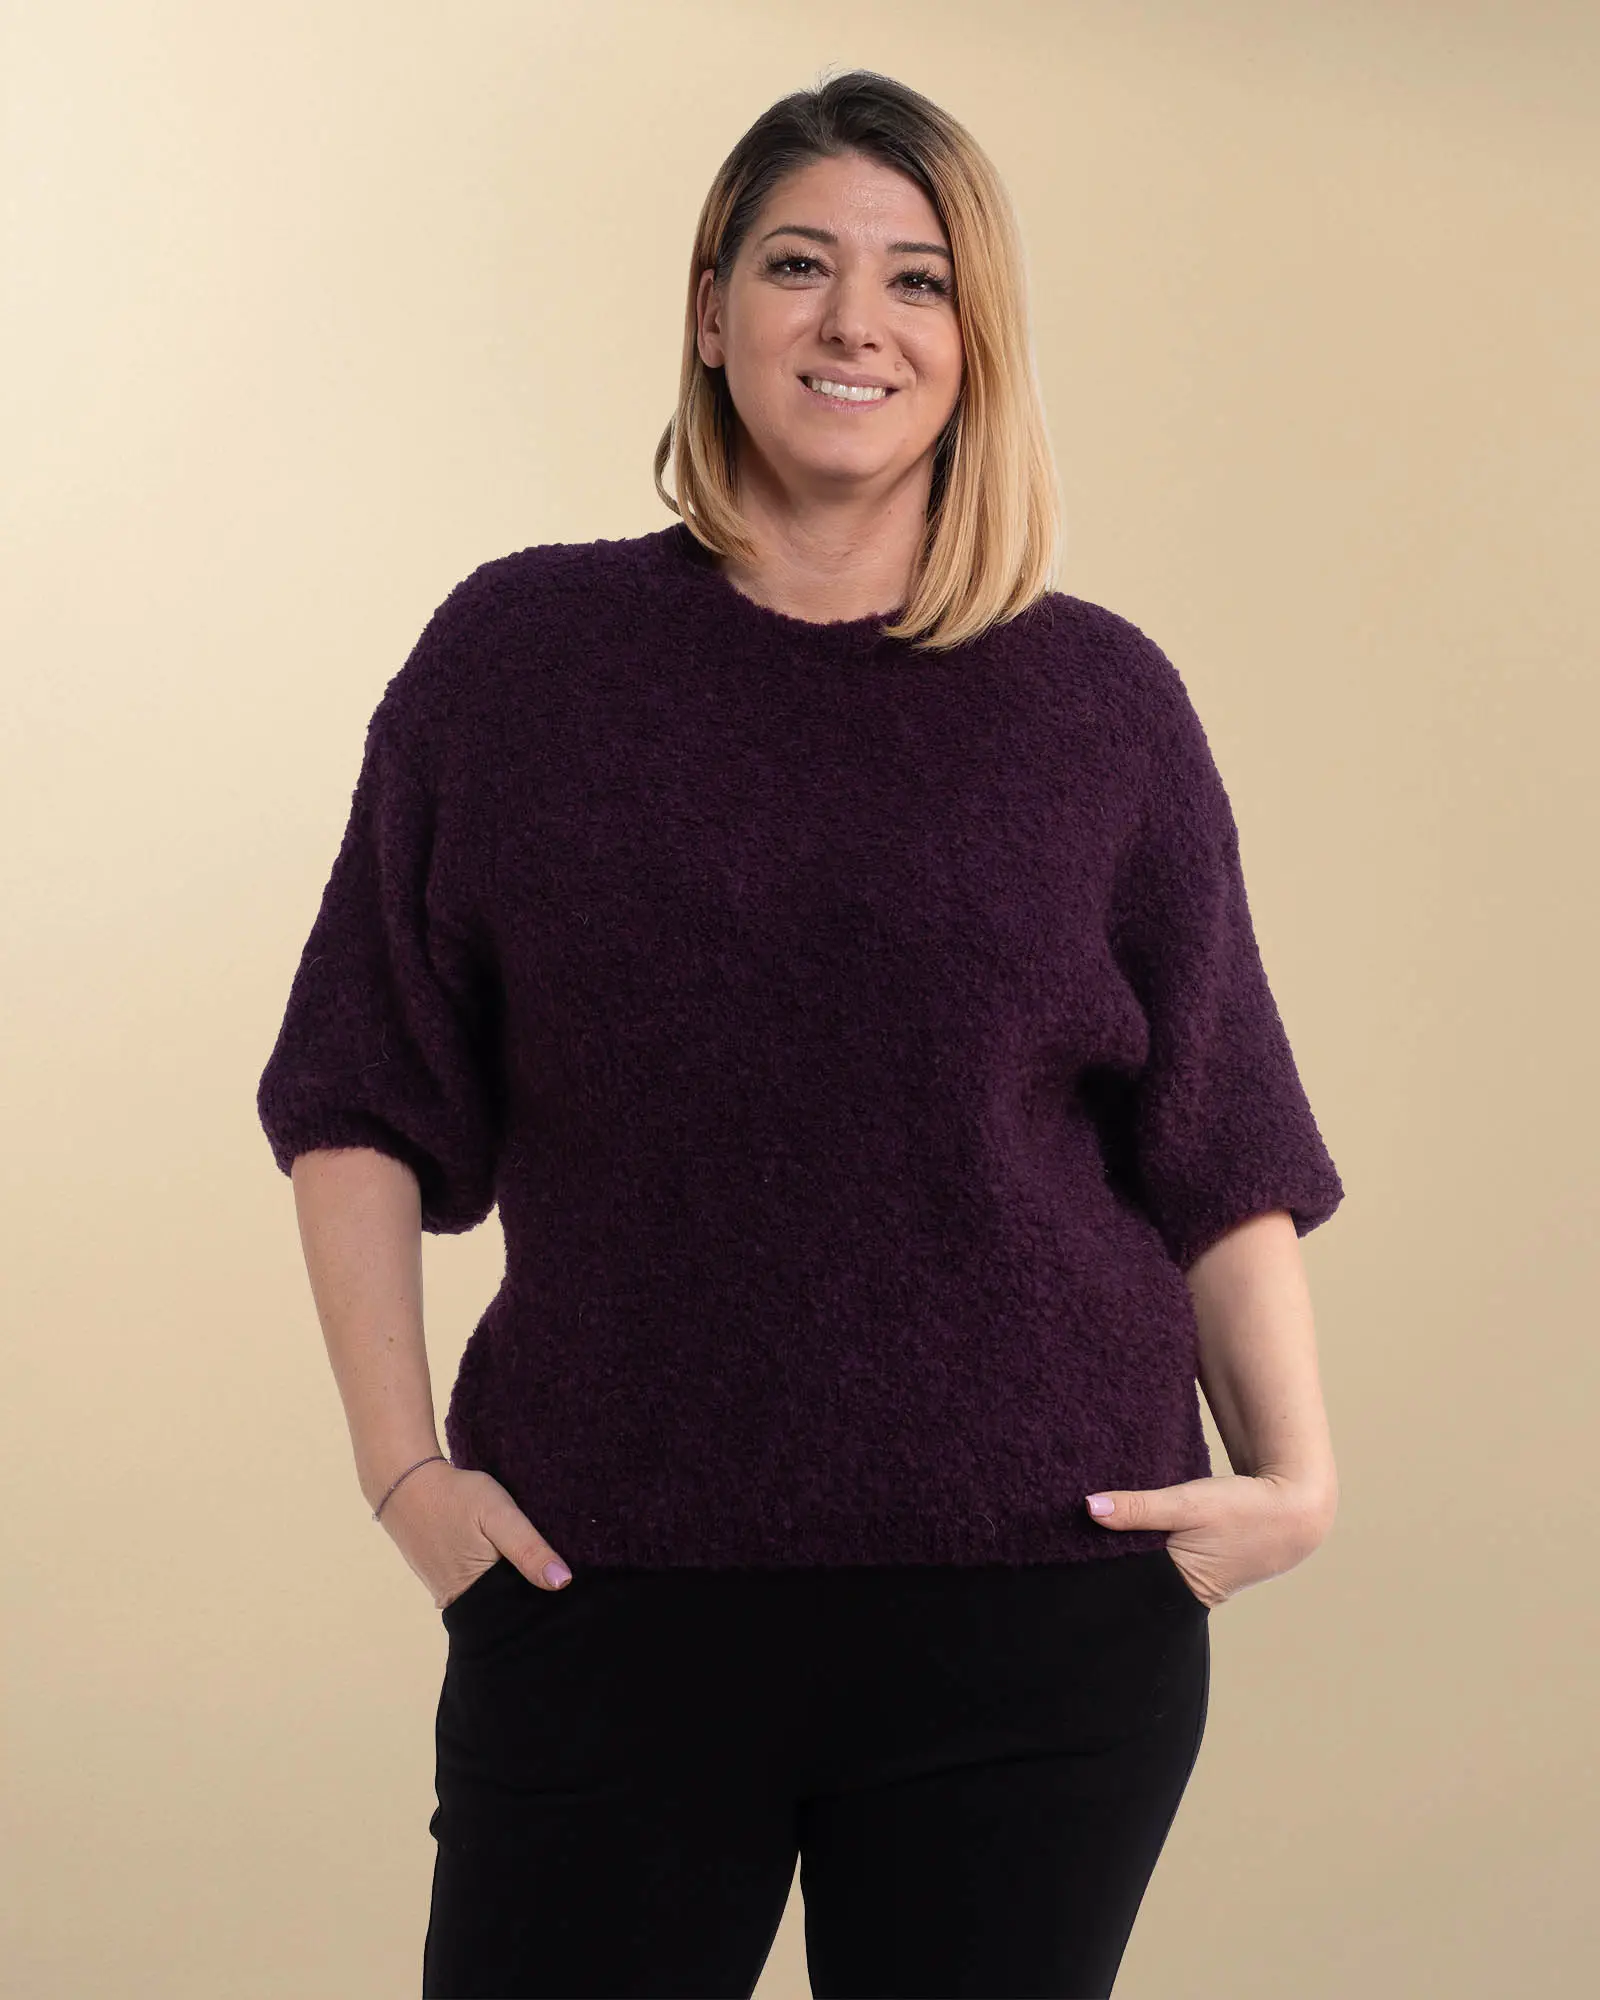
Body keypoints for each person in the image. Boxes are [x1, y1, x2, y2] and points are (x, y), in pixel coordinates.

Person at [256, 69, 1345, 2000]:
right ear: (710, 310)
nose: (858, 322)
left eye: (919, 280)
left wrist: (1297, 1479)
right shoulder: (520, 662)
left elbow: (1215, 1132)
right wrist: (402, 1475)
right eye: (797, 265)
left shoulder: (1099, 702)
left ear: (974, 339)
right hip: (605, 1588)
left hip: (1039, 1612)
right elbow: (360, 1081)